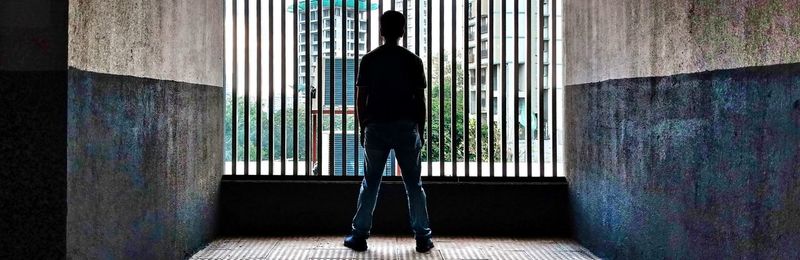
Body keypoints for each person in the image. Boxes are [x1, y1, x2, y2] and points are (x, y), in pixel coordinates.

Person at [343, 10, 434, 253]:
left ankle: (359, 235)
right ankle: (422, 237)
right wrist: (420, 131)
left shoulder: (370, 60)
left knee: (370, 183)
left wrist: (364, 128)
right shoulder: (413, 61)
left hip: (377, 127)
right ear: (403, 31)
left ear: (381, 31)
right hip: (406, 127)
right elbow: (421, 101)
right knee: (414, 184)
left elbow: (361, 99)